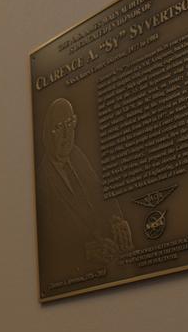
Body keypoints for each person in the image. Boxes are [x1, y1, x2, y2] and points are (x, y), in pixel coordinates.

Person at [34, 96, 133, 287]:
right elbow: (49, 245)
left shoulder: (77, 154)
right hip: (82, 274)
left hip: (110, 260)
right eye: (59, 128)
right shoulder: (42, 182)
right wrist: (85, 251)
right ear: (48, 134)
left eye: (70, 124)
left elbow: (99, 191)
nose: (67, 135)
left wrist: (116, 219)